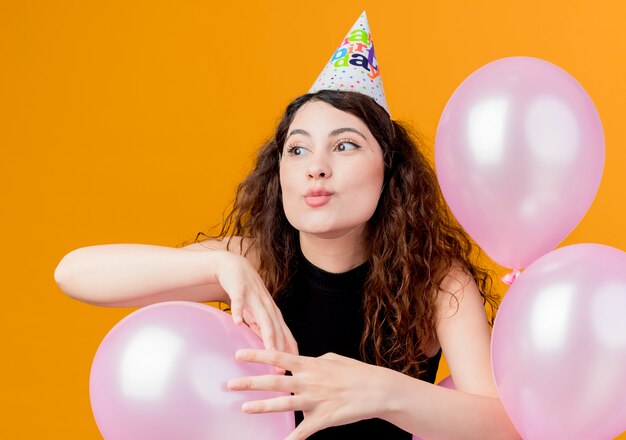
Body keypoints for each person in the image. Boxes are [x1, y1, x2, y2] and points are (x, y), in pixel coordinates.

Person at [55, 12, 520, 440]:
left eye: (345, 146)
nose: (315, 168)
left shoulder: (436, 281)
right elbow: (74, 272)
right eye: (298, 150)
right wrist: (219, 267)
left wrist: (381, 391)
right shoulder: (253, 261)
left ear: (390, 170)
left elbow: (504, 426)